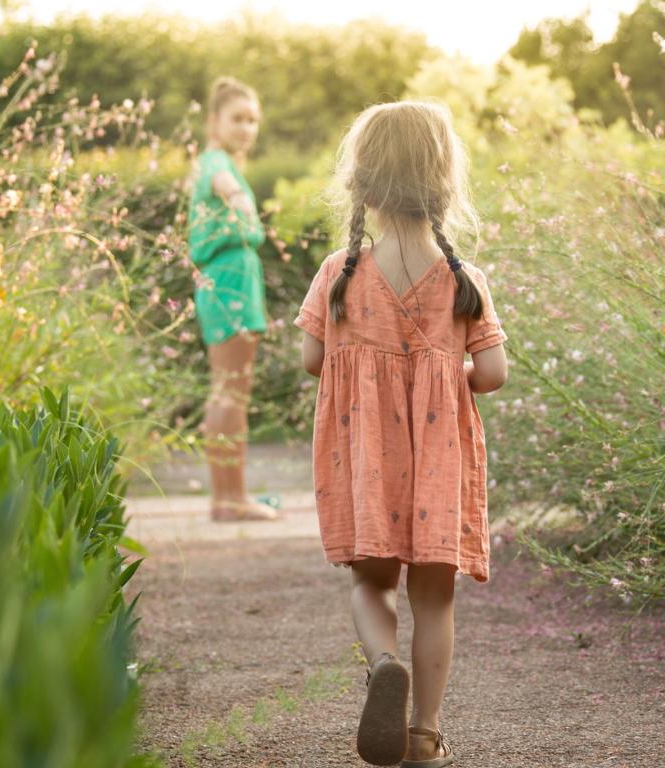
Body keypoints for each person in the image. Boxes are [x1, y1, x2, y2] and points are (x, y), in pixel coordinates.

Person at [294, 101, 509, 767]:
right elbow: (495, 372)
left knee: (371, 584)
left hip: (367, 463)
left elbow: (310, 359)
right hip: (439, 464)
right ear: (444, 182)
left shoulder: (340, 272)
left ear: (364, 184)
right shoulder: (463, 279)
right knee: (434, 596)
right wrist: (444, 377)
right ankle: (424, 732)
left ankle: (384, 663)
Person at [187, 77, 278, 522]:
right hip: (228, 285)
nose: (246, 128)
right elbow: (221, 182)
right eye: (237, 118)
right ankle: (231, 500)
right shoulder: (215, 162)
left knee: (228, 392)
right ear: (214, 122)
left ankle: (228, 498)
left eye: (252, 120)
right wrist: (239, 197)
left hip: (231, 282)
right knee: (231, 394)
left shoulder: (218, 160)